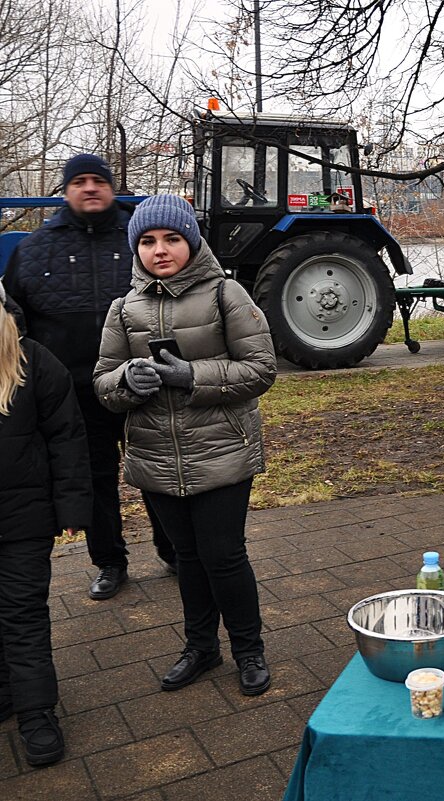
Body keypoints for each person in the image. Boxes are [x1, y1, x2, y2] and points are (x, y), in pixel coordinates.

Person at [93, 195, 277, 695]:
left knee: (223, 556)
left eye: (171, 238)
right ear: (137, 249)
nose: (160, 249)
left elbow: (261, 369)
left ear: (191, 242)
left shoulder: (227, 295)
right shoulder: (122, 309)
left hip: (221, 453)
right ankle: (201, 647)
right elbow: (103, 384)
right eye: (148, 241)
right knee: (187, 557)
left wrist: (190, 375)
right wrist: (127, 381)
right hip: (156, 458)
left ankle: (248, 649)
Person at [1, 154, 175, 601]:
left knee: (156, 470)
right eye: (79, 181)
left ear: (112, 187)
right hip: (75, 392)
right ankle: (110, 562)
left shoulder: (140, 238)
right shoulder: (36, 248)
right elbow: (15, 320)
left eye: (99, 180)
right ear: (66, 191)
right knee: (96, 479)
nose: (90, 188)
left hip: (143, 382)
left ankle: (174, 550)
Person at [0, 285, 91, 767]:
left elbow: (66, 437)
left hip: (24, 520)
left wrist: (72, 509)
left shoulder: (33, 362)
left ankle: (37, 712)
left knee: (21, 613)